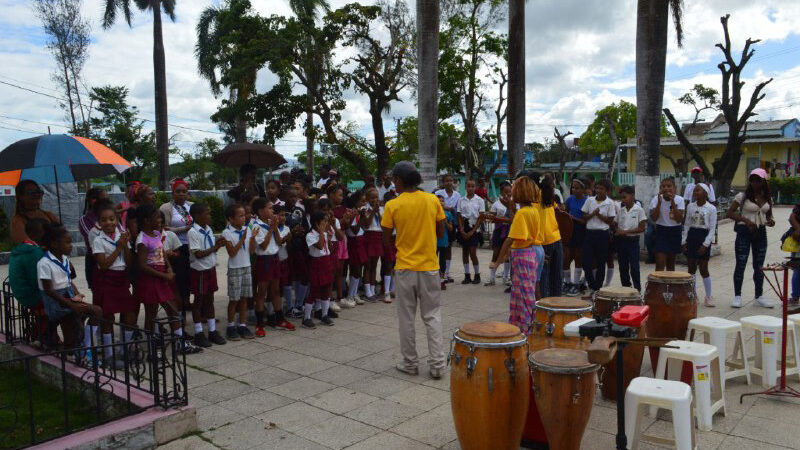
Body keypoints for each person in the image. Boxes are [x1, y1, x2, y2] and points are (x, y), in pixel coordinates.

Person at [381, 161, 446, 379]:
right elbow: (440, 232)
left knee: (406, 318)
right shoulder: (432, 200)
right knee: (432, 316)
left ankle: (410, 363)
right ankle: (437, 365)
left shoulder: (393, 205)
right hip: (429, 267)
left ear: (399, 180)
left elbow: (386, 238)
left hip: (405, 267)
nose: (393, 183)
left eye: (393, 179)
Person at [490, 177, 543, 335]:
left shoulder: (523, 213)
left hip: (523, 254)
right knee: (528, 291)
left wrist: (497, 262)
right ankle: (525, 324)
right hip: (534, 250)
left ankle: (524, 329)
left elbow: (509, 239)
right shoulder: (533, 210)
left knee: (523, 295)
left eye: (513, 189)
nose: (511, 192)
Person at [38, 225, 101, 353]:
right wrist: (71, 305)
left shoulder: (65, 259)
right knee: (73, 317)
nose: (71, 245)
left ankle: (86, 346)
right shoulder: (44, 263)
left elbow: (68, 280)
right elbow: (49, 290)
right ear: (55, 244)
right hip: (56, 302)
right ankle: (73, 349)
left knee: (97, 311)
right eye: (67, 242)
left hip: (68, 296)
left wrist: (77, 293)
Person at [92, 201, 141, 365]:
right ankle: (108, 354)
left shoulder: (122, 237)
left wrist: (125, 246)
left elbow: (128, 261)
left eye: (112, 219)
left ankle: (125, 349)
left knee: (129, 315)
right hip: (107, 279)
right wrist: (119, 248)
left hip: (121, 278)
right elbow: (104, 265)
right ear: (99, 223)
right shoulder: (98, 241)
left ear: (117, 220)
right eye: (104, 220)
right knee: (108, 317)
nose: (109, 223)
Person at [133, 205, 186, 342]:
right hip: (151, 278)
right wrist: (164, 275)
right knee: (151, 314)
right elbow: (143, 265)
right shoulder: (142, 240)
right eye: (157, 217)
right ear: (146, 220)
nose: (160, 220)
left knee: (173, 310)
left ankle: (180, 342)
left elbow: (162, 253)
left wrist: (169, 268)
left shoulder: (156, 234)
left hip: (162, 276)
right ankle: (152, 347)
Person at [727, 168, 775, 308]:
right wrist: (746, 221)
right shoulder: (742, 196)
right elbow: (730, 213)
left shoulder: (767, 197)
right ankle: (737, 296)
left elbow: (768, 216)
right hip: (744, 231)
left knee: (759, 266)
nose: (754, 182)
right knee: (741, 263)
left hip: (760, 232)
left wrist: (770, 221)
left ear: (763, 181)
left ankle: (759, 296)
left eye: (758, 180)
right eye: (752, 179)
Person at [252, 199, 294, 335]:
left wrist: (275, 228)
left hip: (275, 258)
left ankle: (280, 319)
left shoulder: (271, 223)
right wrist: (271, 229)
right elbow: (263, 246)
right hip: (264, 260)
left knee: (276, 290)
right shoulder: (256, 225)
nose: (272, 211)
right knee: (262, 292)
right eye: (269, 208)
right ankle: (259, 324)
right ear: (260, 211)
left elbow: (279, 241)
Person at [188, 203, 226, 347]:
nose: (210, 216)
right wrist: (215, 247)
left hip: (210, 268)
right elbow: (197, 253)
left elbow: (208, 248)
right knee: (199, 301)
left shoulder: (208, 229)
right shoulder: (193, 232)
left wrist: (217, 244)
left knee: (210, 300)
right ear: (197, 216)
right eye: (207, 213)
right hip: (200, 271)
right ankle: (198, 332)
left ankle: (212, 331)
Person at [221, 203, 258, 341]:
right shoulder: (227, 232)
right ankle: (231, 326)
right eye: (240, 216)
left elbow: (252, 250)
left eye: (244, 215)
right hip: (235, 268)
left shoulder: (247, 229)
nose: (244, 218)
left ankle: (242, 324)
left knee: (244, 298)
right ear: (231, 218)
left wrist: (252, 238)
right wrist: (243, 237)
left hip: (246, 266)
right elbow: (231, 253)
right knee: (234, 299)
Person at [160, 179, 194, 315]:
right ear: (172, 193)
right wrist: (185, 228)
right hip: (177, 247)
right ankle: (180, 310)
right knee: (180, 278)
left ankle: (187, 304)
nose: (181, 194)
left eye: (184, 192)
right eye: (178, 192)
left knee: (190, 278)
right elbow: (165, 228)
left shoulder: (191, 206)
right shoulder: (166, 208)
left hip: (191, 246)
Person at [682, 184, 717, 307]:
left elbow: (712, 228)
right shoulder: (690, 207)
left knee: (703, 268)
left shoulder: (711, 208)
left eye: (698, 190)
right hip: (692, 236)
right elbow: (686, 224)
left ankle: (708, 296)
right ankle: (693, 294)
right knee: (691, 268)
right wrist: (684, 240)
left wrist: (706, 244)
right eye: (694, 190)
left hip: (703, 236)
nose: (695, 192)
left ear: (706, 193)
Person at [581, 178, 616, 292]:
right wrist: (593, 214)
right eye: (597, 188)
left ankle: (598, 287)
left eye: (601, 189)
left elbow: (610, 221)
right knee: (586, 261)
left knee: (601, 261)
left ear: (607, 191)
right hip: (589, 233)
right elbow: (584, 216)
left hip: (602, 234)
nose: (598, 190)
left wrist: (599, 215)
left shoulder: (610, 202)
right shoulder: (590, 200)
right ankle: (592, 284)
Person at [532, 172, 563, 297]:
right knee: (556, 275)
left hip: (543, 242)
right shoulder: (549, 197)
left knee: (543, 277)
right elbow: (560, 211)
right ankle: (556, 303)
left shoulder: (535, 198)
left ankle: (544, 307)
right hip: (555, 239)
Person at [305, 210, 336, 328]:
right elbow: (318, 246)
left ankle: (324, 315)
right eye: (324, 221)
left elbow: (330, 249)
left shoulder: (324, 234)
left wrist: (329, 238)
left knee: (326, 289)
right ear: (317, 223)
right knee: (314, 290)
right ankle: (307, 317)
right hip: (316, 263)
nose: (326, 223)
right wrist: (322, 234)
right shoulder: (310, 235)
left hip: (326, 262)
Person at [614, 185, 646, 291]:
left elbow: (642, 228)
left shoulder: (639, 210)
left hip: (632, 241)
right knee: (623, 267)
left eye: (625, 197)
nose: (623, 200)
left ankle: (637, 290)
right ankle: (626, 289)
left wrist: (625, 232)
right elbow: (615, 222)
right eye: (621, 198)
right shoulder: (621, 210)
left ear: (632, 196)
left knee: (634, 267)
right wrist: (616, 230)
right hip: (621, 241)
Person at [650, 177, 685, 271]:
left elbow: (679, 219)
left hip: (674, 231)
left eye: (669, 186)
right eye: (663, 186)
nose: (666, 188)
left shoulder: (680, 200)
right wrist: (659, 203)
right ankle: (659, 285)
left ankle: (670, 285)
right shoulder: (655, 199)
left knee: (671, 264)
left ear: (674, 188)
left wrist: (672, 202)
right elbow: (654, 218)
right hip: (661, 231)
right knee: (660, 263)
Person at [11, 180, 60, 244]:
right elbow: (25, 244)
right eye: (31, 192)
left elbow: (62, 236)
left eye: (38, 191)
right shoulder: (18, 220)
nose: (36, 194)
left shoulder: (50, 215)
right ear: (21, 197)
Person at [79, 188, 109, 290]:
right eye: (103, 199)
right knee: (98, 291)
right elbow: (94, 239)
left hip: (113, 258)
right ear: (92, 200)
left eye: (107, 198)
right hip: (94, 259)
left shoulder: (111, 216)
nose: (106, 202)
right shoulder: (85, 219)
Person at [457, 179, 485, 284]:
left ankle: (477, 275)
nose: (470, 188)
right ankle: (467, 275)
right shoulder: (461, 200)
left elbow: (481, 217)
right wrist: (461, 230)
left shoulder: (479, 200)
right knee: (465, 252)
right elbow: (459, 215)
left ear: (475, 187)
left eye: (473, 186)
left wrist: (473, 231)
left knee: (473, 252)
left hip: (474, 227)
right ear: (466, 187)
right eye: (468, 186)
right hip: (464, 227)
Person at [434, 174, 461, 282]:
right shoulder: (437, 194)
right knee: (436, 248)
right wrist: (447, 208)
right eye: (446, 181)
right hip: (438, 222)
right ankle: (435, 272)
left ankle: (446, 273)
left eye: (451, 180)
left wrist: (447, 209)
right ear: (443, 182)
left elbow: (456, 210)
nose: (449, 182)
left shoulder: (457, 195)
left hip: (451, 222)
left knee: (448, 248)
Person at [563, 178, 587, 295]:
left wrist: (574, 218)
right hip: (569, 230)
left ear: (583, 189)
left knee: (578, 257)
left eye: (577, 188)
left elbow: (585, 220)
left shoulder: (587, 201)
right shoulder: (569, 200)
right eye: (573, 187)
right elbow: (566, 214)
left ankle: (576, 284)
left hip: (581, 231)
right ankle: (567, 282)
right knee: (566, 257)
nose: (574, 190)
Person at [487, 182, 513, 286]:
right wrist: (502, 219)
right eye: (505, 192)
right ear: (501, 192)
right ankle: (492, 277)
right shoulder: (496, 204)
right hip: (499, 231)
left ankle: (506, 277)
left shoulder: (514, 204)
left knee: (507, 255)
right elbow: (492, 219)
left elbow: (514, 218)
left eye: (509, 192)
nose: (508, 194)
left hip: (510, 231)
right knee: (496, 253)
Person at [346, 190, 367, 305]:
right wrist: (361, 217)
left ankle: (354, 294)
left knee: (359, 269)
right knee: (356, 269)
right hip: (354, 241)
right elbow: (355, 230)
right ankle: (350, 296)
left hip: (360, 240)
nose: (363, 203)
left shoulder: (359, 212)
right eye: (362, 201)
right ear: (356, 201)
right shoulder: (352, 212)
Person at [363, 187, 385, 300]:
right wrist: (372, 212)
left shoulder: (381, 209)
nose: (375, 200)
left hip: (378, 237)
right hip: (368, 236)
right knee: (368, 265)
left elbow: (383, 225)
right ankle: (367, 291)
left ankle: (372, 289)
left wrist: (377, 212)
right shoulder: (364, 209)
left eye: (376, 197)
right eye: (372, 198)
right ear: (367, 199)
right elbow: (366, 224)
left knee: (374, 265)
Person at [380, 191, 397, 302]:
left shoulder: (398, 210)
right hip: (387, 238)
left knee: (396, 264)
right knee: (388, 264)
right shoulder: (383, 210)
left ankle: (393, 288)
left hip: (397, 238)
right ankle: (386, 292)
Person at [436, 194, 455, 290]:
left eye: (442, 201)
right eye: (438, 201)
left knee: (442, 261)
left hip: (444, 240)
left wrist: (446, 221)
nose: (441, 202)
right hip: (433, 241)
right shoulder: (432, 212)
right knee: (433, 260)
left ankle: (442, 280)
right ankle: (433, 280)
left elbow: (451, 228)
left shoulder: (448, 214)